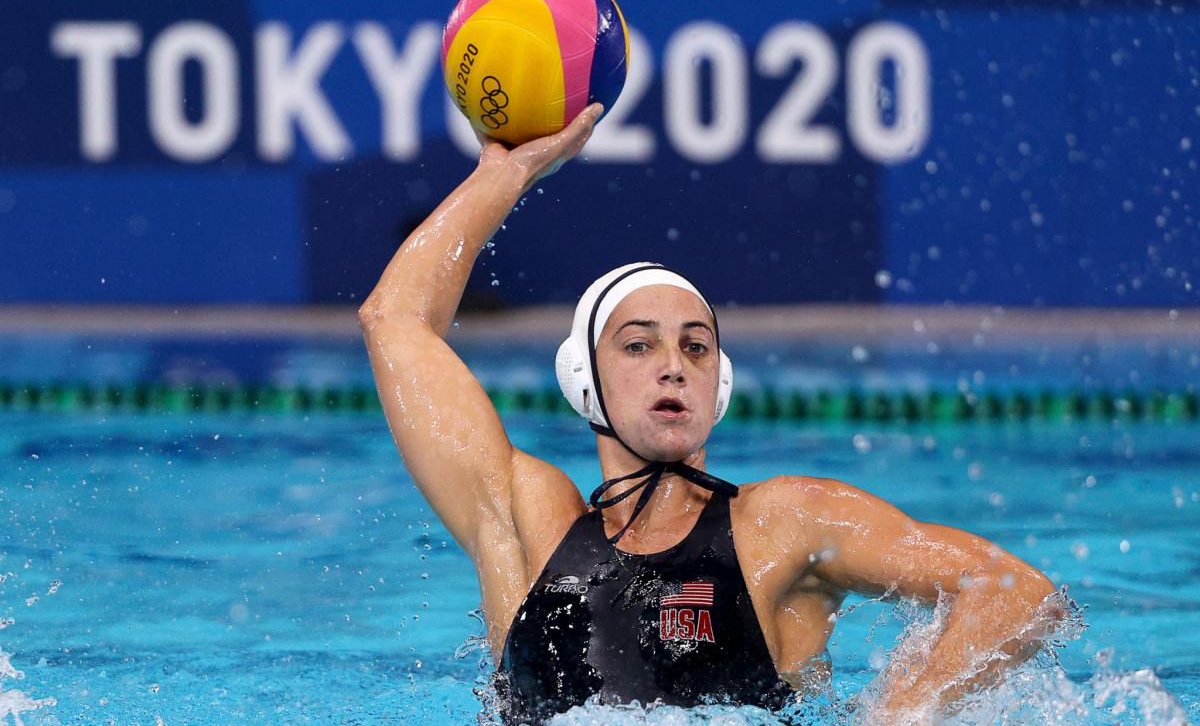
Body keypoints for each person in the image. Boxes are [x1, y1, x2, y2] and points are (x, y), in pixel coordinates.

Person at [358, 104, 1059, 725]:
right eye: (638, 345)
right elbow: (393, 320)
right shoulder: (527, 524)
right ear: (582, 381)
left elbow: (1016, 592)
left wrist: (904, 709)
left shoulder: (782, 525)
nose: (673, 365)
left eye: (696, 347)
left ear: (718, 385)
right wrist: (505, 176)